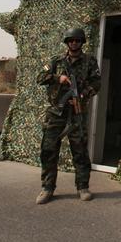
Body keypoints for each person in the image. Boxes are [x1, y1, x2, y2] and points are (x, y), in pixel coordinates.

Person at [35, 28, 101, 205]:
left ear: (82, 43)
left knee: (79, 150)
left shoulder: (89, 61)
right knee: (49, 150)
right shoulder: (56, 61)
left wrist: (83, 94)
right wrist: (58, 78)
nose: (74, 43)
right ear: (67, 42)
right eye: (71, 40)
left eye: (77, 40)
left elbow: (97, 82)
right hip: (56, 112)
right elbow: (40, 77)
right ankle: (47, 188)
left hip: (77, 112)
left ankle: (83, 187)